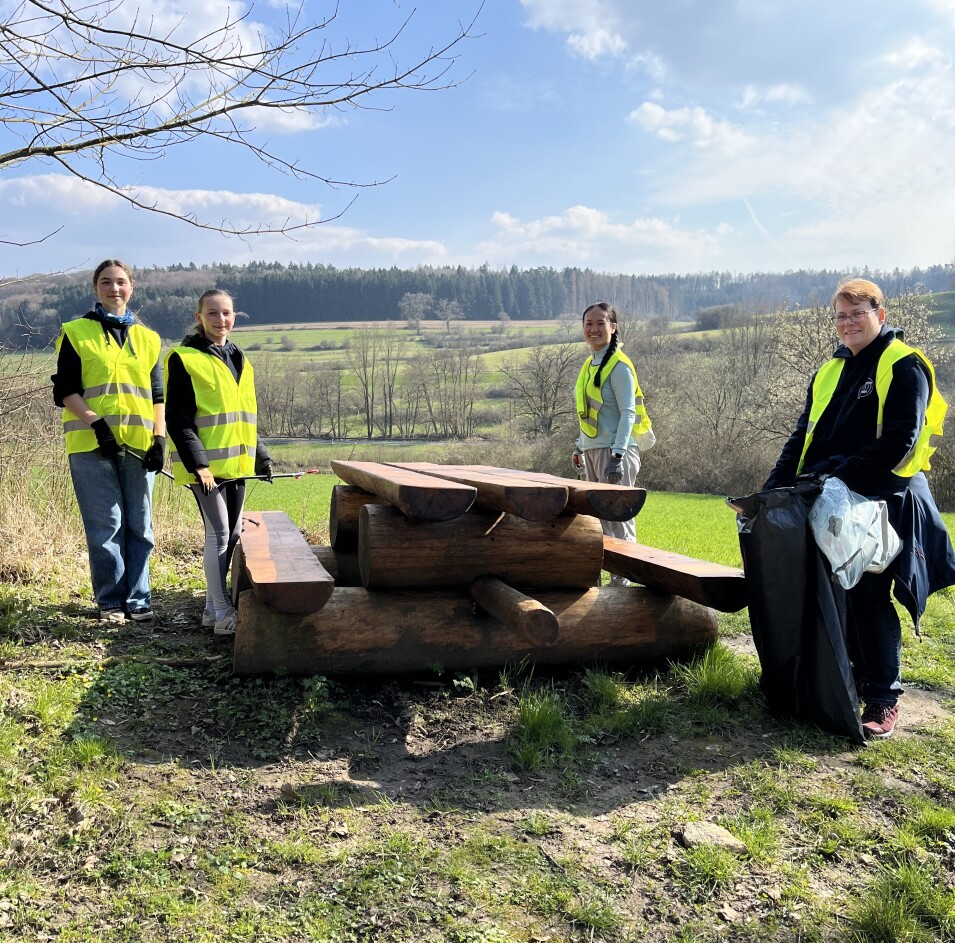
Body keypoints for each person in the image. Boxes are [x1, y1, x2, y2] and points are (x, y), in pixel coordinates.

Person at [763, 277, 955, 739]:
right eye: (841, 316)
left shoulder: (903, 364)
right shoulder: (829, 370)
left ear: (880, 316)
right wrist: (770, 490)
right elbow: (802, 436)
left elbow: (900, 440)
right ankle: (841, 681)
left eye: (857, 314)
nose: (847, 323)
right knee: (835, 593)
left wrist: (837, 474)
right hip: (831, 495)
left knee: (869, 596)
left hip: (882, 498)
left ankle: (883, 698)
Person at [52, 259, 166, 623]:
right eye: (105, 282)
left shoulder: (149, 339)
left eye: (120, 282)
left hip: (138, 446)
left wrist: (160, 439)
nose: (114, 288)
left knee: (141, 526)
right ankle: (111, 601)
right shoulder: (76, 332)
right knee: (106, 527)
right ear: (95, 288)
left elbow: (157, 395)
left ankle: (139, 598)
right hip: (91, 445)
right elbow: (65, 390)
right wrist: (96, 423)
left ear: (131, 287)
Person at [164, 289, 272, 637]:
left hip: (236, 464)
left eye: (226, 313)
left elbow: (244, 417)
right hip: (205, 469)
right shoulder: (184, 358)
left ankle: (212, 611)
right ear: (199, 318)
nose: (220, 319)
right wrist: (199, 465)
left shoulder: (240, 359)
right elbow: (178, 419)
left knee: (234, 533)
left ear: (234, 317)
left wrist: (261, 455)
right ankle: (223, 612)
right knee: (219, 533)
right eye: (212, 313)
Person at [572, 302, 655, 563]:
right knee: (599, 522)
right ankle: (610, 579)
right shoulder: (590, 364)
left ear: (613, 327)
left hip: (615, 453)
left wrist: (617, 456)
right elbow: (589, 413)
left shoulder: (619, 365)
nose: (593, 329)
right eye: (588, 324)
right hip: (593, 451)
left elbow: (628, 412)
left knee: (618, 520)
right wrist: (579, 446)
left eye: (600, 323)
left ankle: (624, 581)